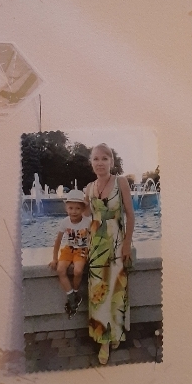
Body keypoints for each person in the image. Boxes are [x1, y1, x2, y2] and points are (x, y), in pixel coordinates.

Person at [84, 144, 135, 365]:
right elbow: (85, 216)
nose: (100, 163)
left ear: (111, 162)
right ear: (91, 163)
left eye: (104, 158)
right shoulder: (89, 188)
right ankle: (103, 341)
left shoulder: (120, 182)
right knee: (98, 293)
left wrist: (127, 244)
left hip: (116, 245)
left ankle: (115, 333)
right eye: (96, 159)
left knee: (116, 290)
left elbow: (130, 215)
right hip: (96, 247)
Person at [48, 190, 92, 317]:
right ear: (66, 208)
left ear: (83, 209)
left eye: (77, 208)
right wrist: (54, 258)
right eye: (71, 208)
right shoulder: (65, 222)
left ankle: (76, 292)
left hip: (82, 250)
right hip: (68, 249)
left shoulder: (87, 222)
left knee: (78, 271)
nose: (74, 211)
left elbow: (93, 239)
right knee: (60, 270)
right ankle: (71, 295)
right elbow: (58, 241)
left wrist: (91, 254)